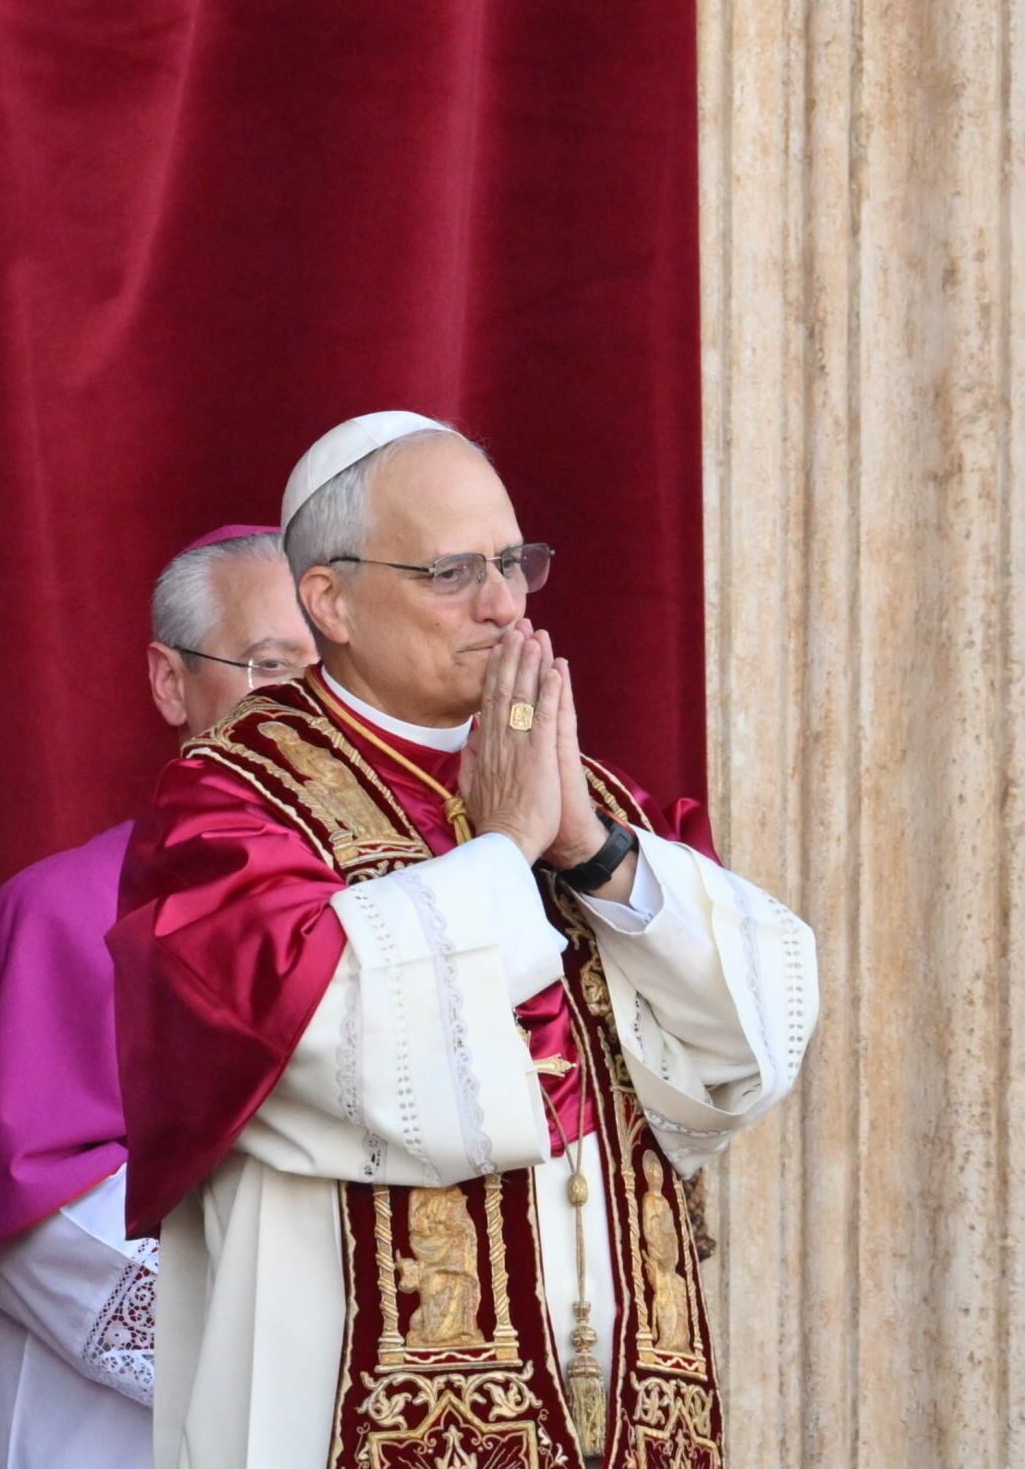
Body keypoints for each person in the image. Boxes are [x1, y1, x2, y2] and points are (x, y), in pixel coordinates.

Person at [111, 411, 816, 1469]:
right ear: (330, 601)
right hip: (344, 1399)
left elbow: (752, 1043)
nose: (503, 604)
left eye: (513, 562)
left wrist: (590, 853)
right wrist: (504, 856)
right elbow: (309, 1032)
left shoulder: (593, 796)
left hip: (616, 1411)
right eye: (451, 572)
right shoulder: (237, 796)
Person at [0, 525, 315, 1469]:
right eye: (274, 670)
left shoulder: (409, 907)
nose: (312, 716)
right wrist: (297, 1356)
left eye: (337, 681)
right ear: (171, 682)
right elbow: (41, 1226)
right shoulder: (62, 911)